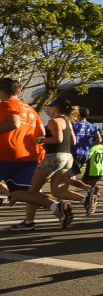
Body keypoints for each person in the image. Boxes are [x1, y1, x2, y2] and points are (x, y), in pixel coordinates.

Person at [9, 98, 90, 231]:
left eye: (51, 107)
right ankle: (84, 199)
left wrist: (42, 140)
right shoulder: (68, 122)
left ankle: (29, 222)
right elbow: (73, 141)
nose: (50, 109)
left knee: (32, 191)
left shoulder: (54, 121)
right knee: (57, 190)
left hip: (54, 157)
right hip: (67, 157)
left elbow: (58, 138)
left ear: (56, 108)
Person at [0, 78, 46, 229]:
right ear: (18, 91)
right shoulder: (30, 109)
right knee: (23, 191)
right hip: (27, 155)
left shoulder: (7, 104)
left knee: (21, 191)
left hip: (7, 152)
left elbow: (14, 123)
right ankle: (56, 206)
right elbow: (42, 133)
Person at [68, 106, 102, 192]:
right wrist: (89, 145)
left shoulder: (73, 124)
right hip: (85, 153)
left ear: (77, 114)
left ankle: (90, 188)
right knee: (71, 175)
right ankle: (61, 196)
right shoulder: (92, 126)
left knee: (66, 177)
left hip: (73, 152)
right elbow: (99, 139)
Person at [80, 134, 103, 212]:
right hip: (101, 168)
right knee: (93, 183)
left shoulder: (93, 148)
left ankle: (93, 193)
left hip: (92, 168)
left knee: (83, 182)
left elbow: (89, 156)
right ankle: (93, 194)